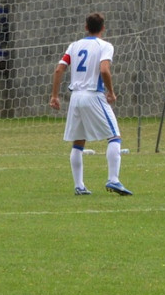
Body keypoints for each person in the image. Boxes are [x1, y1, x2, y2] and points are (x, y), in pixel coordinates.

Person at [50, 12, 133, 196]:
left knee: (78, 142)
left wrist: (54, 95)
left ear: (86, 27)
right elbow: (104, 69)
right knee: (114, 137)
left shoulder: (74, 46)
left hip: (76, 97)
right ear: (103, 28)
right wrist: (111, 92)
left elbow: (59, 69)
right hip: (93, 95)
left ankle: (79, 186)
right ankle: (113, 179)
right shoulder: (105, 46)